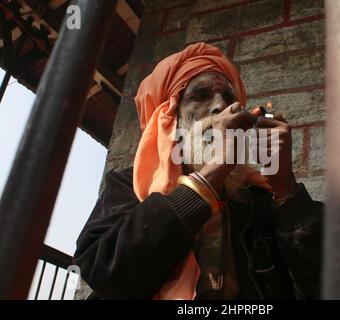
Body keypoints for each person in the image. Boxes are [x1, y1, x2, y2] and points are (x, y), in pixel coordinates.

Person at [73, 42, 324, 300]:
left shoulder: (256, 197)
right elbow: (103, 273)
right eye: (200, 95)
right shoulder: (131, 185)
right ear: (172, 117)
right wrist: (211, 175)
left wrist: (285, 187)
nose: (219, 106)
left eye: (228, 98)